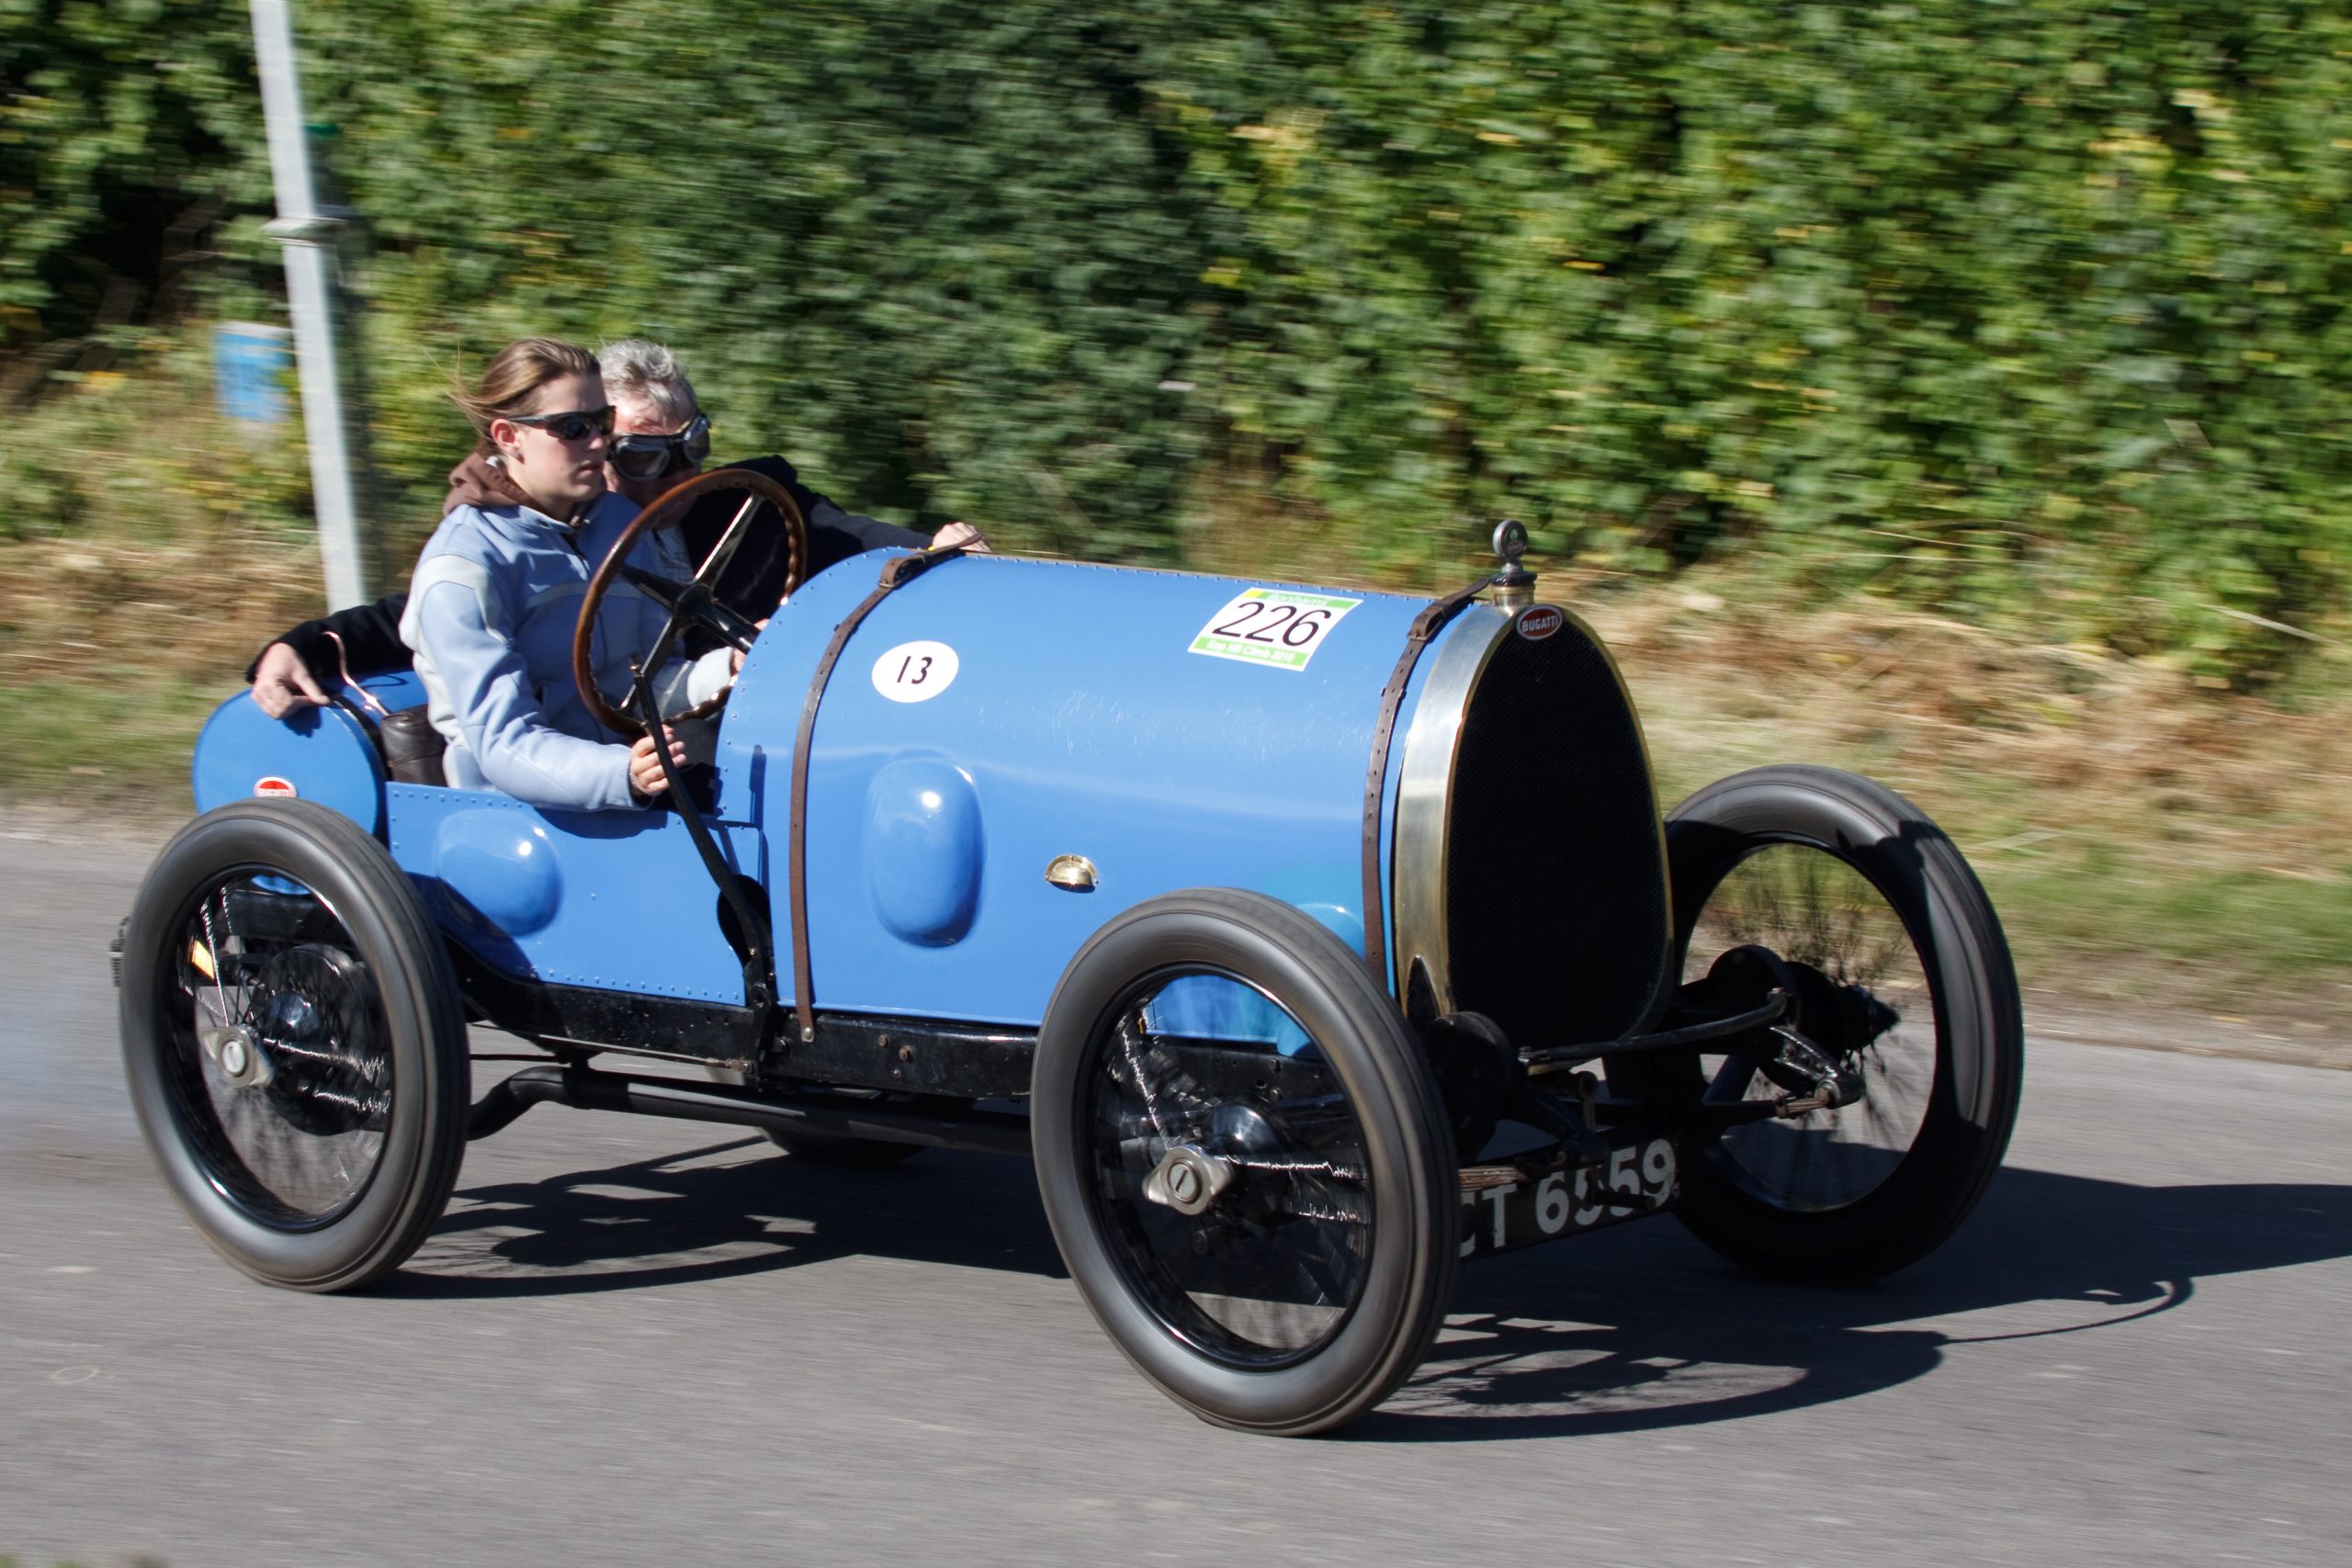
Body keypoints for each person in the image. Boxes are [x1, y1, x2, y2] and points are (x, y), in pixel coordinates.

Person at [247, 338, 982, 716]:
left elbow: (846, 534)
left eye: (690, 446)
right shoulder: (552, 533)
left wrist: (935, 549)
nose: (673, 477)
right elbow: (424, 614)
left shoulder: (748, 506)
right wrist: (302, 643)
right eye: (640, 454)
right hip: (627, 747)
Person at [402, 336, 736, 810]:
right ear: (508, 436)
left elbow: (644, 682)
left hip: (623, 782)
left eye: (601, 421)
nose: (600, 442)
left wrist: (731, 668)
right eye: (572, 427)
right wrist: (620, 774)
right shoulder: (462, 567)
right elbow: (504, 742)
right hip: (511, 817)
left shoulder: (621, 525)